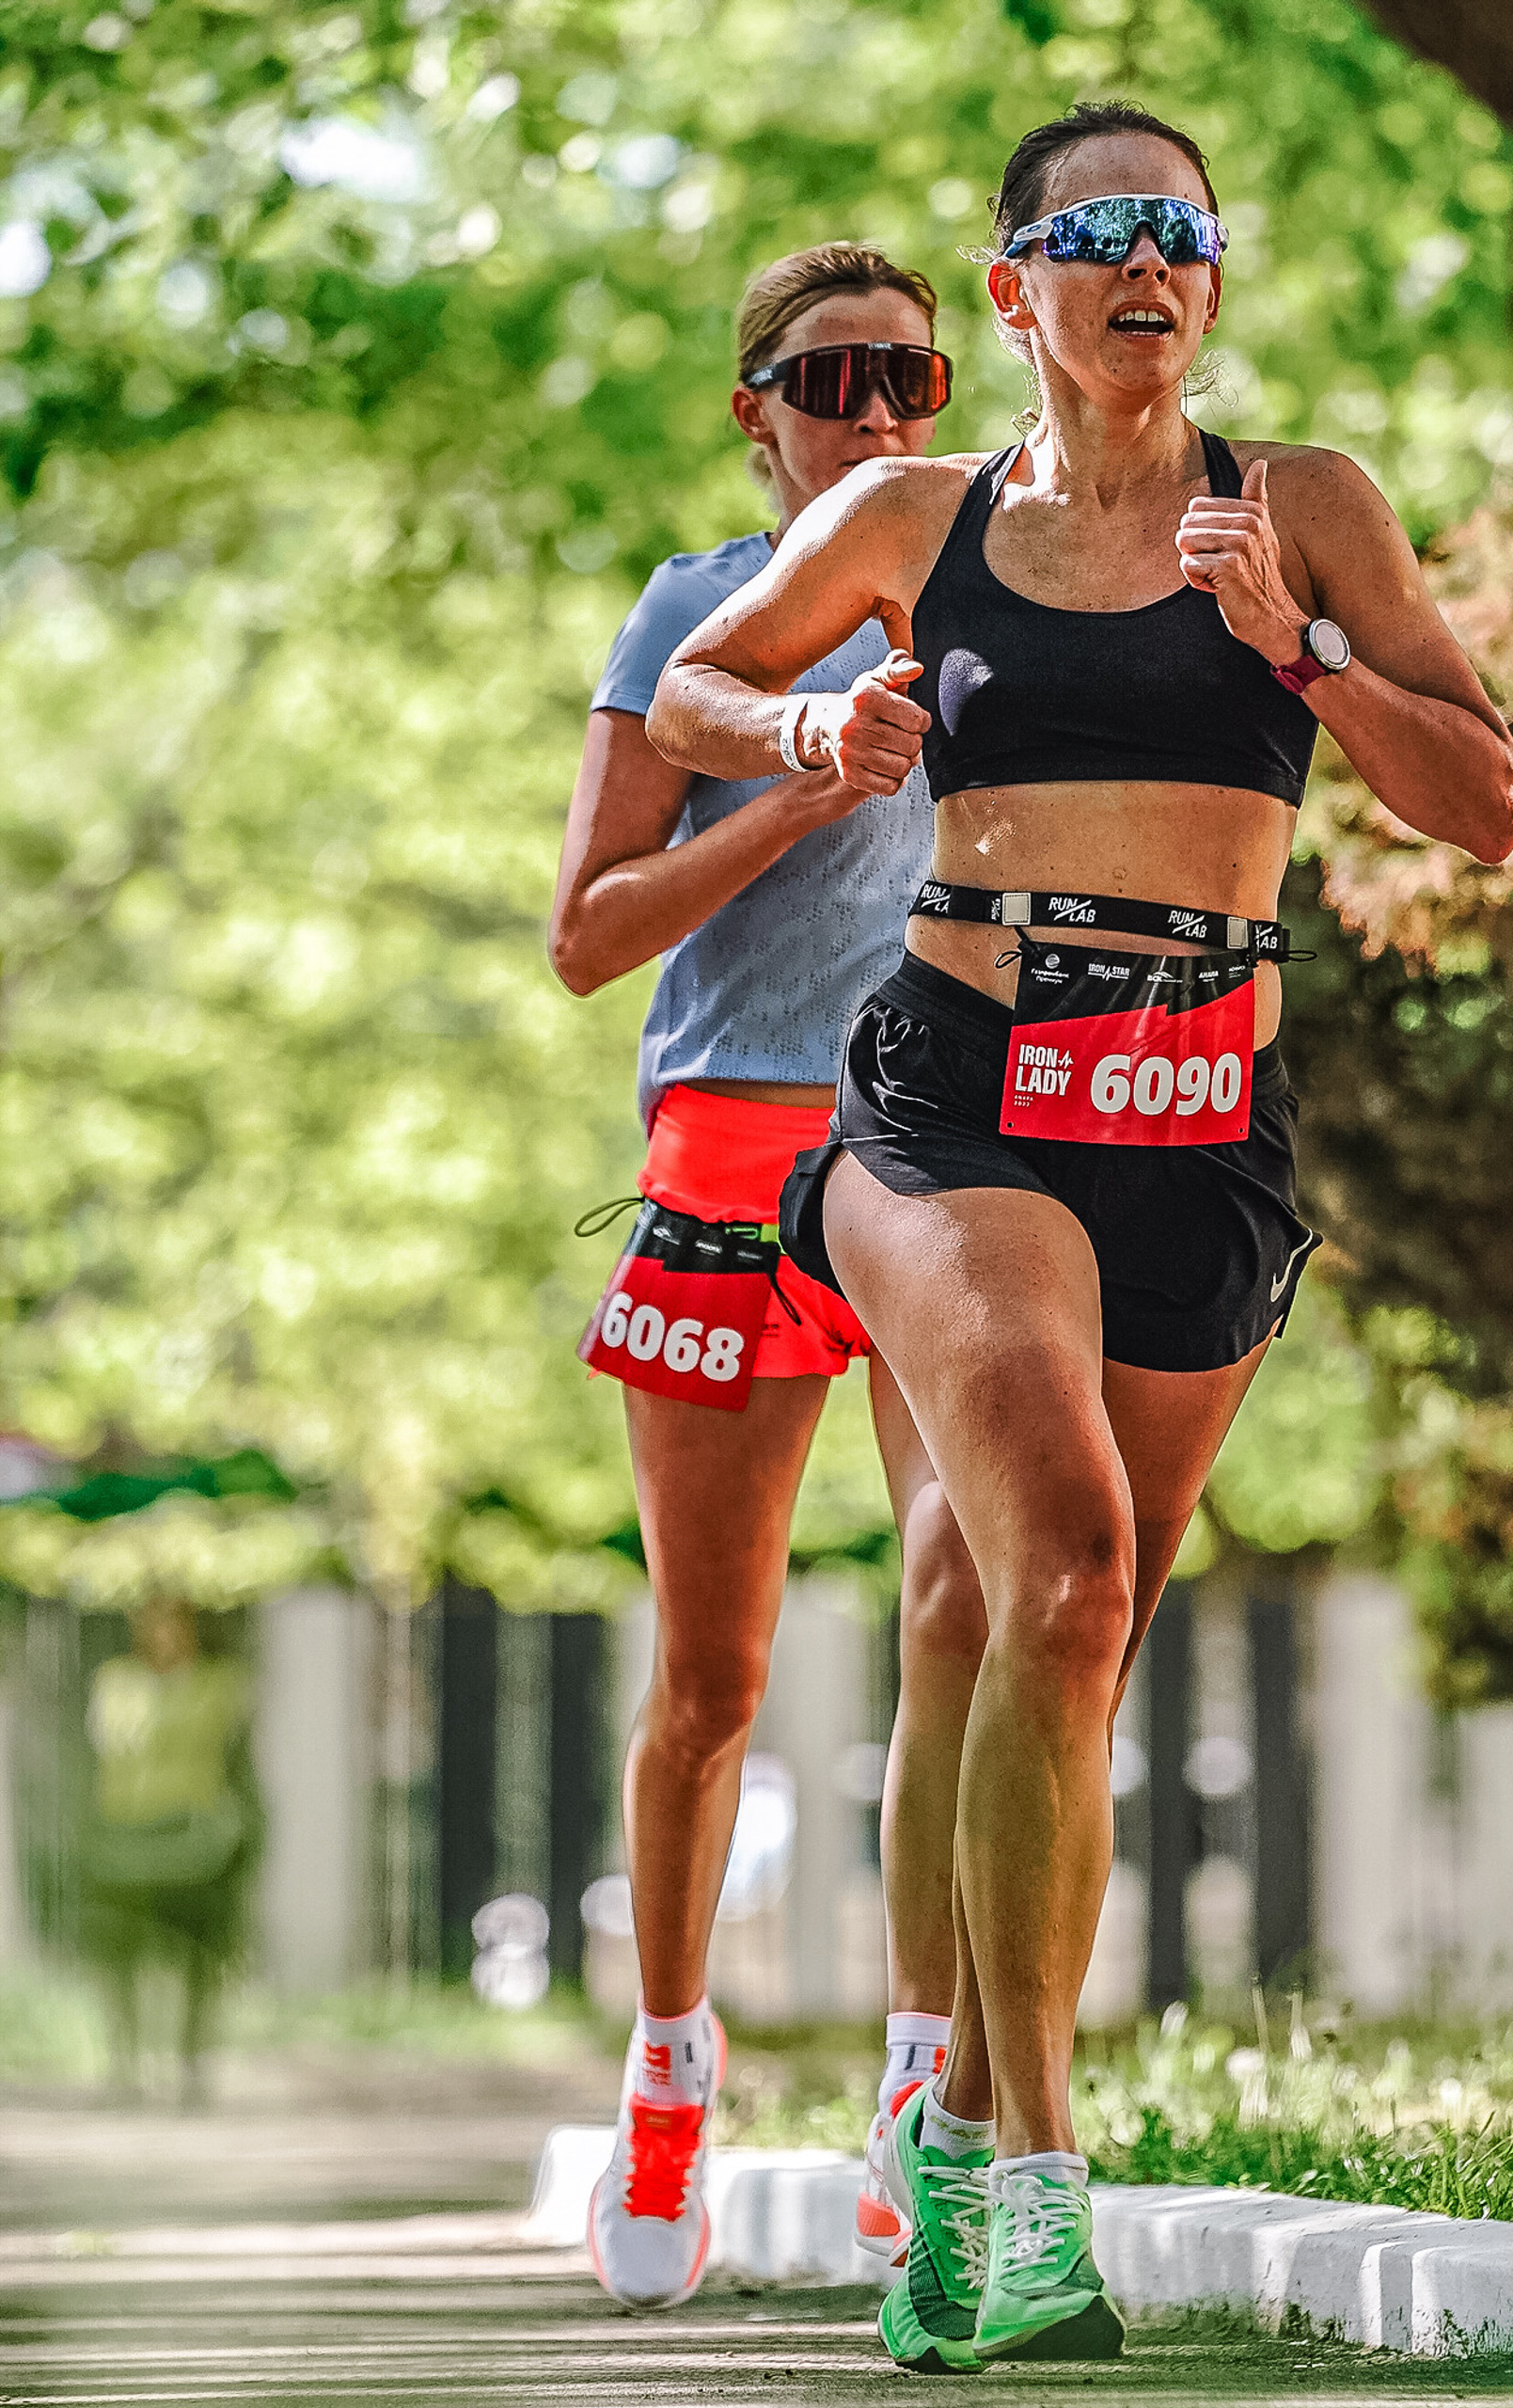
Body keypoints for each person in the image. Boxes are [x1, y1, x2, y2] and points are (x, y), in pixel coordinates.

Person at [645, 103, 1513, 2364]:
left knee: (1030, 1620)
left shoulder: (1298, 504)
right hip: (952, 1091)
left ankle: (930, 2108)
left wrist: (1303, 650)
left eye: (1184, 230)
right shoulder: (910, 513)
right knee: (1063, 1562)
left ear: (1206, 281)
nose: (1151, 264)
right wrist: (817, 720)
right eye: (1096, 232)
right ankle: (1035, 2172)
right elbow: (687, 690)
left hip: (1202, 1102)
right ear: (1014, 283)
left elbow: (1486, 802)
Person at [547, 241, 988, 2313]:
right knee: (713, 1677)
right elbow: (588, 929)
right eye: (828, 382)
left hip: (949, 1146)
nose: (875, 415)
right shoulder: (687, 614)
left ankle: (923, 2081)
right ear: (756, 410)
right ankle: (666, 2067)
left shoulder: (999, 581)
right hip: (734, 1142)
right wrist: (797, 766)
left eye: (907, 375)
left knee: (959, 1596)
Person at [75, 1595, 260, 2109]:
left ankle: (191, 2062)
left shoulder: (218, 1683)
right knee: (121, 1951)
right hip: (127, 1834)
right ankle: (126, 2058)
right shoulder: (117, 1681)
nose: (160, 1635)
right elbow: (114, 1741)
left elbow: (220, 1744)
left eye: (171, 1623)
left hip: (194, 1837)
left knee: (199, 1954)